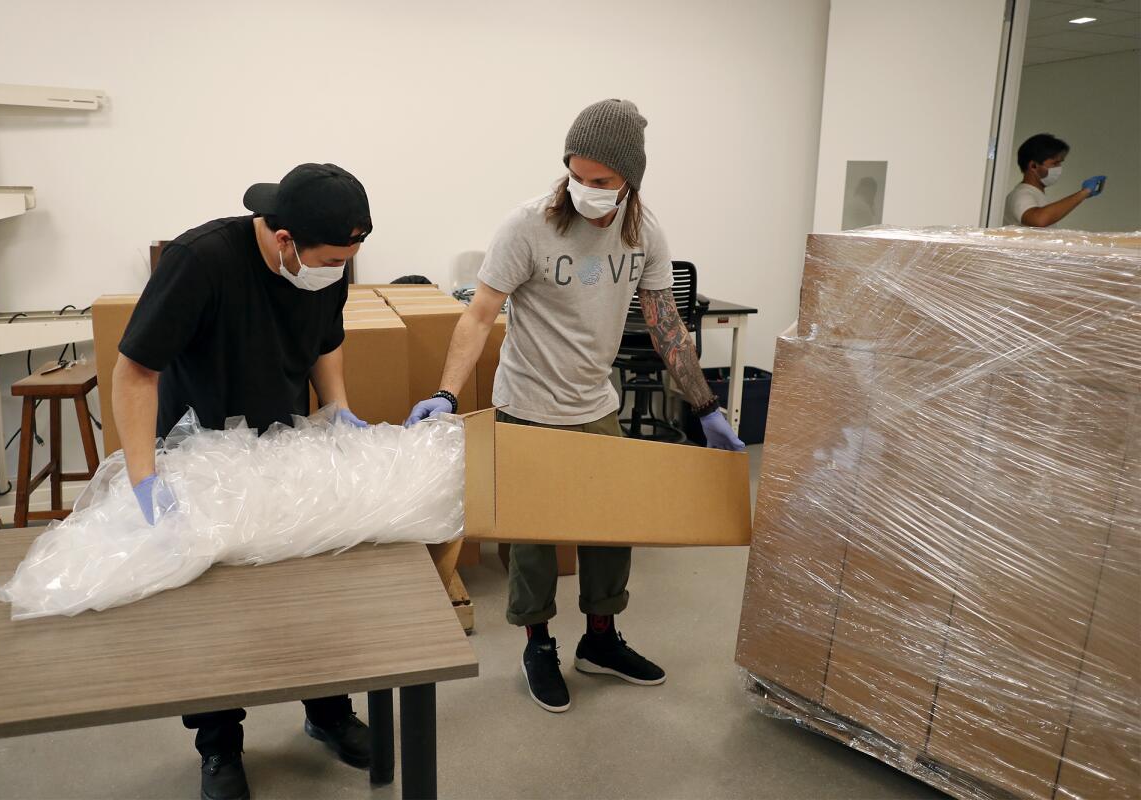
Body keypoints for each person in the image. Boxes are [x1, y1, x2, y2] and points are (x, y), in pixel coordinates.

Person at [405, 99, 746, 714]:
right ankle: (538, 646)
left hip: (594, 402)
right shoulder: (527, 226)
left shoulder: (645, 232)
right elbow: (480, 313)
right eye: (576, 175)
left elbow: (665, 321)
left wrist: (704, 407)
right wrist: (446, 394)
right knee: (534, 542)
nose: (585, 190)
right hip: (528, 401)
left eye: (601, 182)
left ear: (629, 182)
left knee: (611, 529)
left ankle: (600, 640)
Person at [114, 163, 373, 800]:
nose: (339, 269)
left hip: (281, 443)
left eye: (350, 256)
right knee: (214, 607)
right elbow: (135, 371)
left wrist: (336, 406)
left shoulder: (326, 264)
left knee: (311, 585)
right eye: (332, 258)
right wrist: (146, 480)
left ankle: (328, 711)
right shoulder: (200, 261)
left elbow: (326, 338)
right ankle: (220, 745)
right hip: (199, 449)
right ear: (285, 240)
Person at [1004, 133, 1106, 227]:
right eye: (1055, 163)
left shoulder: (1036, 194)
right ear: (1033, 166)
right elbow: (1039, 220)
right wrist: (1083, 193)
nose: (1059, 168)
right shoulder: (1021, 195)